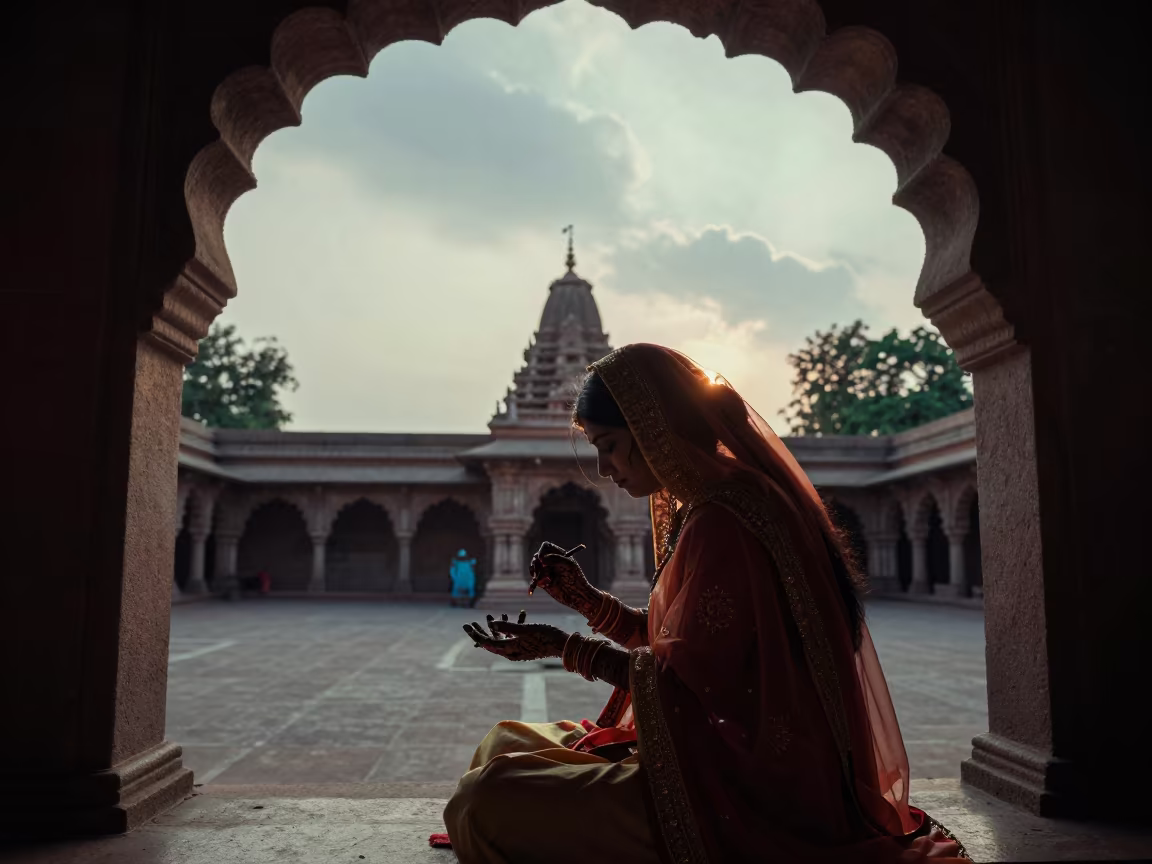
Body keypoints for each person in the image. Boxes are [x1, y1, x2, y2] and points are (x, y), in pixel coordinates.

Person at [443, 344, 967, 863]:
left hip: (743, 784)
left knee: (482, 801)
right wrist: (587, 601)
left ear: (651, 429)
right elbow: (690, 649)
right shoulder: (712, 505)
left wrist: (567, 648)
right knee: (503, 745)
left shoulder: (724, 521)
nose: (604, 469)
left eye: (609, 445)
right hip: (721, 751)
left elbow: (688, 686)